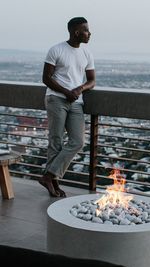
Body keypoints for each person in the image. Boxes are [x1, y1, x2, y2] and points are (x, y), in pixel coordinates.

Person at [39, 17, 95, 197]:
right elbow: (46, 78)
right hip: (56, 99)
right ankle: (53, 182)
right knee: (55, 141)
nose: (89, 33)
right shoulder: (56, 50)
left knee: (78, 141)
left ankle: (49, 175)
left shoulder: (87, 53)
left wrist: (79, 88)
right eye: (86, 30)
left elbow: (92, 80)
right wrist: (66, 92)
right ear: (76, 32)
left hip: (76, 102)